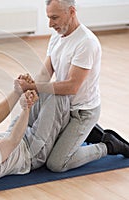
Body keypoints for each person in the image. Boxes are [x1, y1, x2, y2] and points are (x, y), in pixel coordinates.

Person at [17, 0, 129, 172]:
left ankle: (108, 145)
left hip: (82, 112)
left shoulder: (86, 42)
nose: (50, 24)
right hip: (63, 106)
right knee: (26, 122)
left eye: (54, 17)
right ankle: (86, 133)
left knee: (56, 164)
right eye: (48, 17)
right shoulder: (57, 36)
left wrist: (34, 87)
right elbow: (45, 74)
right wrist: (30, 88)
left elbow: (71, 87)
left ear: (71, 11)